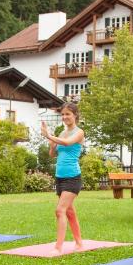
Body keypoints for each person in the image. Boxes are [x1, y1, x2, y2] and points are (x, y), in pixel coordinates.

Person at [41, 103, 85, 255]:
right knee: (70, 212)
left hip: (72, 177)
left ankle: (58, 247)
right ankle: (79, 242)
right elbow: (52, 154)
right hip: (60, 177)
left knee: (60, 211)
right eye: (63, 114)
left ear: (75, 115)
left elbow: (67, 143)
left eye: (68, 114)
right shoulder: (62, 133)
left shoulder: (79, 132)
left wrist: (48, 135)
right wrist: (52, 144)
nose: (65, 117)